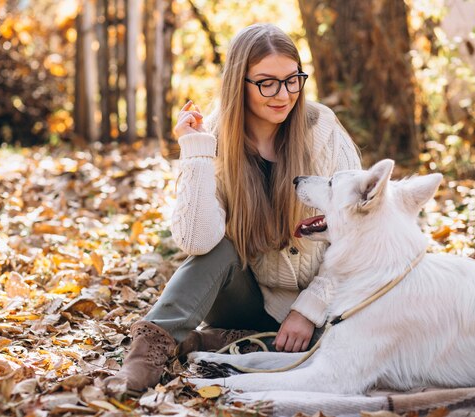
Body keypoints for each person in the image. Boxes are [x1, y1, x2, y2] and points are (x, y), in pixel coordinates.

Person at [103, 23, 361, 393]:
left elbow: (359, 229)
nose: (283, 94)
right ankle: (142, 362)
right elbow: (197, 242)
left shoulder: (322, 131)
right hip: (248, 298)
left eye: (293, 80)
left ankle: (219, 342)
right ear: (239, 83)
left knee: (344, 348)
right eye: (267, 82)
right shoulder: (215, 136)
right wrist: (196, 152)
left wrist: (309, 308)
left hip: (327, 304)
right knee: (219, 248)